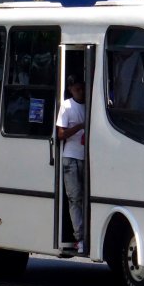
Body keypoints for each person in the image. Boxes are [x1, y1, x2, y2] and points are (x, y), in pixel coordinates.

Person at [56, 75, 86, 253]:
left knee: (86, 198)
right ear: (70, 90)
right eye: (76, 89)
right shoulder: (67, 106)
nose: (80, 92)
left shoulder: (91, 104)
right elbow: (60, 134)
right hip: (71, 157)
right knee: (75, 198)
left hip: (87, 157)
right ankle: (79, 237)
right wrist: (81, 126)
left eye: (81, 88)